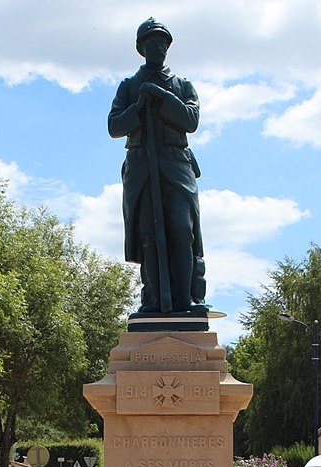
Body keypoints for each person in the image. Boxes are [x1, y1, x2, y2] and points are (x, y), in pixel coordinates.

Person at [108, 18, 206, 314]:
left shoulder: (181, 84)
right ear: (142, 48)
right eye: (153, 42)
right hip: (141, 166)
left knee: (181, 230)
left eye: (164, 42)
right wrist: (138, 106)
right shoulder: (129, 86)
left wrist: (163, 97)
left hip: (176, 164)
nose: (160, 47)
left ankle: (185, 299)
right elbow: (114, 126)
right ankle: (152, 299)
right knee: (149, 234)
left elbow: (190, 121)